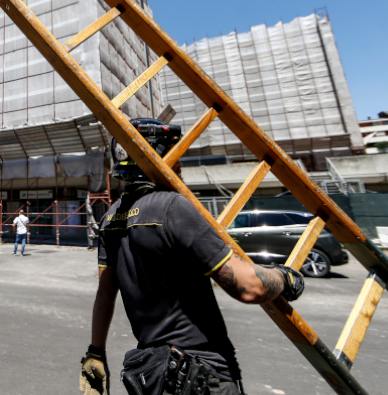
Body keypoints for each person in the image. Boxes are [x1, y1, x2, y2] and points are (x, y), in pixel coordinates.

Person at [79, 119, 305, 395]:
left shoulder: (110, 219)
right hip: (201, 375)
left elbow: (105, 292)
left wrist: (96, 352)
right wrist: (284, 277)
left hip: (155, 377)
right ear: (155, 157)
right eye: (175, 154)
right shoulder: (172, 207)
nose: (181, 164)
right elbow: (249, 287)